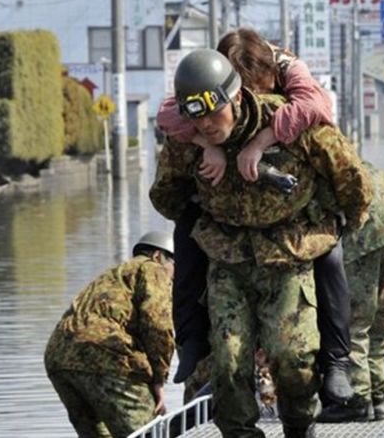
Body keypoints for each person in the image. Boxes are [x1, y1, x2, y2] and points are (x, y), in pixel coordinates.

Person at [150, 49, 372, 438]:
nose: (205, 123)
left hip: (289, 256)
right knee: (229, 362)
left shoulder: (288, 121)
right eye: (195, 116)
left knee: (292, 356)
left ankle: (301, 424)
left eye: (212, 111)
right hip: (228, 261)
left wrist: (339, 222)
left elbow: (352, 178)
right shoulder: (189, 137)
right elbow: (166, 196)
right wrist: (202, 160)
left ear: (235, 97)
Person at [44, 231, 176, 438]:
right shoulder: (152, 268)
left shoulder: (112, 275)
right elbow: (157, 323)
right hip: (106, 355)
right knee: (150, 434)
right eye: (175, 266)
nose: (175, 275)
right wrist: (159, 378)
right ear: (158, 255)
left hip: (59, 357)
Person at [318, 165, 384, 422]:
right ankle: (378, 399)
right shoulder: (361, 162)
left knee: (353, 324)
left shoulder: (318, 166)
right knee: (380, 326)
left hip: (365, 236)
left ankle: (357, 400)